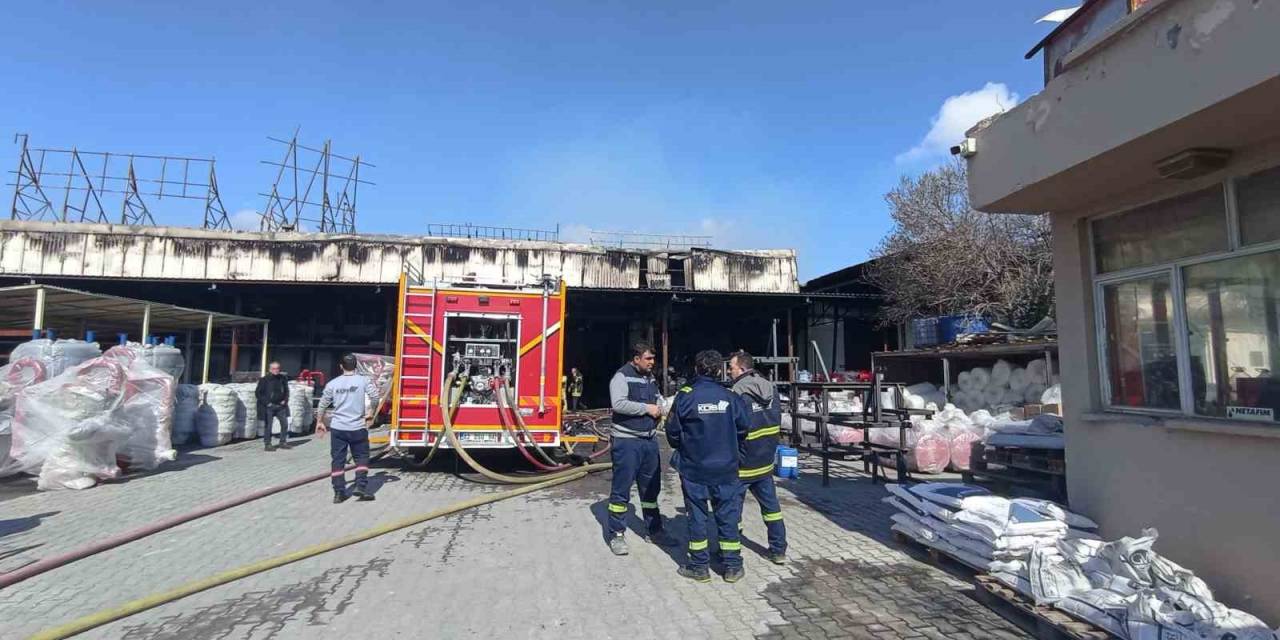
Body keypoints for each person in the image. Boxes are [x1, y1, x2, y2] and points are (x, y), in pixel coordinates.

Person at [666, 349, 751, 583]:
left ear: (697, 368)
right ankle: (733, 566)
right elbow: (744, 427)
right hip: (726, 467)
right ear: (718, 370)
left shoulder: (686, 396)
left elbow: (672, 431)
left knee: (697, 517)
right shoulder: (730, 396)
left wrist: (685, 447)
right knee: (728, 516)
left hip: (694, 468)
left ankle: (699, 566)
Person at [606, 343, 676, 555]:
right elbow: (618, 404)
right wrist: (647, 409)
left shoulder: (650, 378)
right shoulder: (621, 376)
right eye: (648, 359)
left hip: (649, 441)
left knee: (650, 489)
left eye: (653, 359)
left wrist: (664, 406)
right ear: (636, 359)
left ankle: (655, 531)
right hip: (627, 442)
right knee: (622, 489)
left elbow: (657, 400)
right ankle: (617, 534)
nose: (652, 362)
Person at [728, 350, 788, 564]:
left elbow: (733, 427)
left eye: (732, 367)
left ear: (742, 368)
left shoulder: (737, 392)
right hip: (765, 461)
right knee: (772, 509)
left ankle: (731, 553)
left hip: (743, 463)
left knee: (732, 511)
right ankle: (778, 550)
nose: (728, 371)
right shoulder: (770, 387)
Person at [317, 354, 380, 504]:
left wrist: (320, 421)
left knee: (338, 460)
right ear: (356, 366)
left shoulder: (333, 383)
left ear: (341, 366)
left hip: (338, 428)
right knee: (362, 457)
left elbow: (323, 403)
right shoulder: (363, 381)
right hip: (357, 427)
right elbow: (375, 397)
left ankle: (339, 493)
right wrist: (371, 412)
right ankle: (361, 487)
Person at [255, 361, 291, 451]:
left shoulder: (282, 378)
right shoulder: (264, 380)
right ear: (270, 369)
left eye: (278, 368)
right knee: (268, 426)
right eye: (274, 368)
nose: (276, 370)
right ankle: (268, 444)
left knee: (285, 424)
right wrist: (267, 403)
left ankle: (282, 442)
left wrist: (285, 400)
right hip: (269, 406)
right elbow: (258, 393)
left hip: (280, 406)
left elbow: (286, 391)